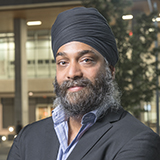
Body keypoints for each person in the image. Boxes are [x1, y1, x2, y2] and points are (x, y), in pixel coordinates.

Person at [7, 7, 160, 160]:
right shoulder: (27, 138)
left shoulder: (138, 141)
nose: (72, 73)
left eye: (86, 60)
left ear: (110, 71)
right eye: (63, 62)